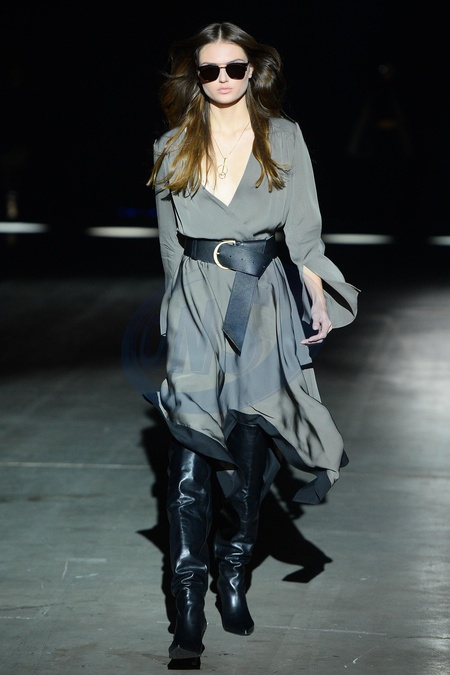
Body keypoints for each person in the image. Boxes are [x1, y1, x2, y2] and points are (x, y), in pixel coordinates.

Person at [146, 21, 359, 663]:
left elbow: (304, 234)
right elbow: (169, 246)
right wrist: (174, 317)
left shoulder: (283, 138)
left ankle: (233, 575)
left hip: (262, 303)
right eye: (209, 70)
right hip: (195, 305)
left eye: (234, 68)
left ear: (252, 71)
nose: (222, 79)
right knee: (188, 451)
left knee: (247, 447)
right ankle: (188, 605)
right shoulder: (171, 145)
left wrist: (316, 297)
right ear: (196, 77)